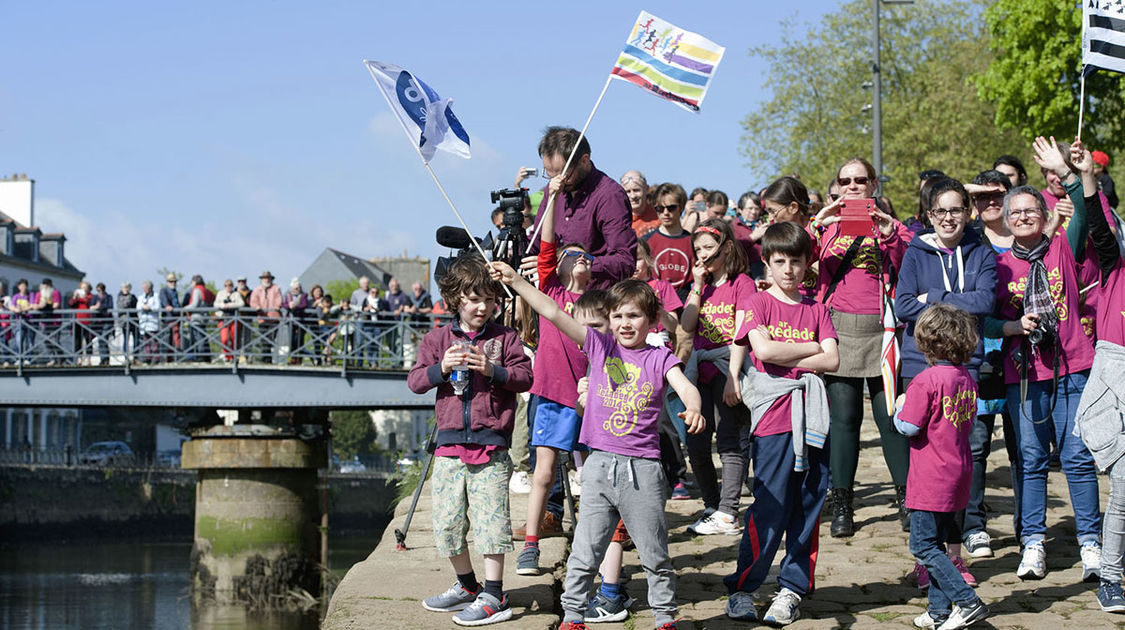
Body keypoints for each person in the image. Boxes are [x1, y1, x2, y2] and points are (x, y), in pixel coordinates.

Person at [491, 260, 704, 630]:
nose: (624, 323)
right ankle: (573, 616)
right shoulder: (601, 347)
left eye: (634, 316)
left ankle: (665, 617)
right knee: (584, 550)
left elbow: (684, 386)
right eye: (618, 315)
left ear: (651, 321)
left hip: (643, 471)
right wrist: (516, 282)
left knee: (655, 552)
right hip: (599, 467)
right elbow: (553, 311)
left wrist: (695, 407)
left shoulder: (659, 357)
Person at [990, 136, 1101, 582]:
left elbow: (1086, 208)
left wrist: (1070, 172)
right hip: (1024, 376)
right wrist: (1014, 327)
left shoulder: (1064, 249)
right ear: (1006, 217)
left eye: (1029, 211)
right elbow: (982, 322)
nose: (1021, 217)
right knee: (1031, 460)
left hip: (1074, 368)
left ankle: (1091, 545)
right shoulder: (996, 267)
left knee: (1076, 458)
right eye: (1014, 212)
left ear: (1044, 215)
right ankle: (1032, 543)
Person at [723, 222, 838, 627]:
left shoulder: (818, 309)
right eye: (780, 262)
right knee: (769, 505)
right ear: (768, 265)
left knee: (808, 504)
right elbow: (763, 350)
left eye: (797, 261)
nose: (789, 269)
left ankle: (791, 589)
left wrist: (787, 354)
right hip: (773, 420)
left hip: (815, 419)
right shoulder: (757, 304)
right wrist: (810, 348)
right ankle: (744, 587)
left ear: (809, 263)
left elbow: (832, 361)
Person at [408, 256, 533, 627]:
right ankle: (466, 585)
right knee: (447, 524)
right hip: (448, 446)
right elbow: (415, 382)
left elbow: (526, 377)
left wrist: (491, 370)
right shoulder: (436, 339)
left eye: (489, 299)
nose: (482, 306)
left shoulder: (505, 338)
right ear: (454, 299)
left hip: (491, 445)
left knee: (491, 522)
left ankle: (494, 594)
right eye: (473, 298)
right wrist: (440, 369)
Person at [895, 177, 997, 588]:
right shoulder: (915, 252)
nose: (949, 218)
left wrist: (932, 297)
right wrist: (955, 294)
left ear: (967, 213)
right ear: (928, 215)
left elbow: (985, 301)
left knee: (960, 460)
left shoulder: (981, 251)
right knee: (924, 461)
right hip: (920, 363)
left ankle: (953, 555)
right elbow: (903, 305)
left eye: (956, 209)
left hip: (966, 365)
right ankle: (926, 554)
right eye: (941, 211)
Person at [811, 157, 913, 537]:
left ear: (873, 184)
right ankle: (842, 506)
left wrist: (888, 236)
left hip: (884, 332)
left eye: (860, 180)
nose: (852, 186)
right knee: (844, 422)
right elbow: (798, 264)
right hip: (839, 330)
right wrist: (819, 221)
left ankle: (907, 500)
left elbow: (910, 265)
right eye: (845, 180)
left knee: (891, 421)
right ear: (836, 185)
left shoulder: (893, 227)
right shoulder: (826, 229)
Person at [514, 176, 594, 576]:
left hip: (589, 399)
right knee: (542, 472)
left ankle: (601, 541)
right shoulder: (552, 293)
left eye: (587, 256)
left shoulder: (600, 304)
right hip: (551, 395)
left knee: (592, 475)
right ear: (558, 268)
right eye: (573, 255)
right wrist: (553, 197)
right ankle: (531, 544)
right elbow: (546, 247)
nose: (582, 258)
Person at [893, 304, 990, 630]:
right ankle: (938, 612)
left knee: (922, 546)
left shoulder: (926, 380)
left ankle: (967, 601)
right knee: (937, 545)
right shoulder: (966, 379)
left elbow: (908, 426)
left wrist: (899, 407)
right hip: (959, 474)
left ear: (926, 343)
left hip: (930, 478)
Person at [1072, 139, 1125, 613]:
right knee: (1124, 487)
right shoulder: (1115, 267)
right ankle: (1111, 577)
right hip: (1115, 378)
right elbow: (1101, 228)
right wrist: (1087, 177)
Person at [680, 218, 755, 536]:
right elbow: (686, 325)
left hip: (729, 368)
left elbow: (742, 331)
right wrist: (696, 286)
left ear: (726, 247)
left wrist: (733, 378)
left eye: (708, 248)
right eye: (697, 250)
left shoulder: (742, 283)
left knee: (729, 439)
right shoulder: (701, 285)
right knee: (696, 441)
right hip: (701, 371)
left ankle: (728, 511)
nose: (703, 255)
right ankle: (712, 506)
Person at [962, 169, 1020, 560]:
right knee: (976, 445)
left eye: (997, 195)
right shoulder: (967, 240)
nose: (989, 203)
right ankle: (973, 525)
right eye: (981, 197)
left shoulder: (1031, 238)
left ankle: (1027, 523)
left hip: (1022, 357)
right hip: (977, 352)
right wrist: (970, 194)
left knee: (1022, 448)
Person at [525, 126, 636, 290]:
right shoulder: (553, 188)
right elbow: (538, 242)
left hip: (593, 302)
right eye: (549, 174)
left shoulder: (610, 196)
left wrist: (569, 262)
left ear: (584, 160)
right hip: (555, 298)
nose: (557, 181)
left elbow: (624, 262)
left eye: (563, 174)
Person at [644, 182, 696, 300]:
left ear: (681, 208)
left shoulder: (693, 242)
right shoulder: (646, 242)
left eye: (671, 208)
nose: (665, 213)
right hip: (654, 299)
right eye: (660, 209)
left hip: (685, 300)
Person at [250, 270, 283, 363]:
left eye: (268, 278)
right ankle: (265, 358)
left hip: (274, 318)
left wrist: (277, 306)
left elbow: (279, 300)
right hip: (262, 318)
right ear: (261, 279)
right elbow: (253, 301)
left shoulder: (276, 288)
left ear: (271, 279)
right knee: (264, 339)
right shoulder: (257, 290)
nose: (266, 280)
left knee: (271, 338)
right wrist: (257, 307)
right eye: (265, 278)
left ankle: (267, 358)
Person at [31, 278, 62, 365]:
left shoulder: (55, 293)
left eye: (46, 284)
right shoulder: (39, 294)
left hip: (55, 321)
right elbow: (35, 305)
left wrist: (47, 305)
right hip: (44, 321)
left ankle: (60, 358)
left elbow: (56, 305)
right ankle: (52, 358)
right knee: (46, 340)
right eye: (43, 284)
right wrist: (39, 306)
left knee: (55, 341)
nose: (44, 286)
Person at [213, 279, 244, 362]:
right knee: (224, 338)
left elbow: (241, 303)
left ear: (232, 286)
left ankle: (233, 356)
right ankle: (227, 355)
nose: (228, 287)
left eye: (230, 285)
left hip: (234, 319)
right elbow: (215, 304)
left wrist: (230, 305)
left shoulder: (236, 294)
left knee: (234, 338)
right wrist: (223, 305)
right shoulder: (220, 294)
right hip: (223, 318)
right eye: (226, 285)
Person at [185, 274, 214, 362]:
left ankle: (201, 355)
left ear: (195, 282)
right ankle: (206, 355)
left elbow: (194, 304)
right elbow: (212, 300)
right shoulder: (206, 290)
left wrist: (184, 309)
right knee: (202, 336)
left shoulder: (197, 290)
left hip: (196, 317)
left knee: (197, 337)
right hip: (204, 317)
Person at [622, 170, 660, 238]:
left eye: (636, 190)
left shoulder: (660, 215)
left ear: (647, 189)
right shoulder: (619, 219)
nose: (633, 196)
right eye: (628, 191)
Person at [384, 277, 411, 366]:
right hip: (388, 321)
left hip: (399, 321)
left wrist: (400, 310)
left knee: (398, 342)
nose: (394, 287)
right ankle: (393, 361)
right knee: (390, 342)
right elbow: (383, 304)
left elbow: (405, 304)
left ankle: (399, 361)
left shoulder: (402, 294)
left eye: (395, 286)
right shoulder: (387, 294)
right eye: (392, 286)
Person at [284, 278, 309, 364]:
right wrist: (289, 306)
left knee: (299, 340)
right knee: (292, 340)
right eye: (295, 288)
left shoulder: (304, 295)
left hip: (301, 321)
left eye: (298, 288)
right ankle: (292, 357)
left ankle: (299, 358)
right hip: (291, 321)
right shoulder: (288, 295)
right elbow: (284, 304)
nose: (297, 289)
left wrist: (294, 306)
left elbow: (304, 304)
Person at [68, 281, 93, 364]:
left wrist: (85, 297)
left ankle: (89, 359)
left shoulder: (90, 296)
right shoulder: (77, 298)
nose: (84, 290)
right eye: (82, 288)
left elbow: (90, 303)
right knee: (78, 341)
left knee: (88, 340)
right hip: (77, 321)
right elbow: (70, 304)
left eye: (85, 288)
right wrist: (75, 297)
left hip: (88, 321)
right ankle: (79, 358)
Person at [159, 273, 181, 361]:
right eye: (171, 281)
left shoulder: (175, 292)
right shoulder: (164, 290)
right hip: (168, 318)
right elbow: (165, 302)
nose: (173, 283)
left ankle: (176, 354)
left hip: (176, 317)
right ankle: (169, 357)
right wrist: (167, 306)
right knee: (169, 337)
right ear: (167, 282)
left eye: (174, 282)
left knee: (176, 335)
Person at [137, 281, 160, 364]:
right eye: (143, 288)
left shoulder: (156, 296)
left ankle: (155, 357)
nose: (144, 289)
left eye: (146, 288)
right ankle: (147, 357)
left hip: (152, 322)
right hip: (144, 323)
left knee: (154, 341)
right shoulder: (141, 297)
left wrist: (150, 307)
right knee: (145, 341)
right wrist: (144, 307)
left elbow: (157, 307)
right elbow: (138, 306)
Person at [9, 279, 32, 361]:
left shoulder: (30, 295)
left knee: (30, 342)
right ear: (18, 287)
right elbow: (12, 306)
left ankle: (28, 360)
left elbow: (32, 306)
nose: (23, 288)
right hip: (19, 322)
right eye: (21, 286)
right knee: (18, 340)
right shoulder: (16, 296)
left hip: (29, 321)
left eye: (25, 286)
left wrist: (22, 309)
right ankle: (19, 359)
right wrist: (16, 309)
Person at [90, 282, 113, 365]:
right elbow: (91, 306)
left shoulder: (109, 297)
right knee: (100, 340)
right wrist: (96, 307)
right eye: (98, 290)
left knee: (103, 339)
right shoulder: (95, 297)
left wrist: (100, 307)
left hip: (106, 321)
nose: (99, 291)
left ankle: (105, 358)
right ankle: (103, 358)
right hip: (97, 321)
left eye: (101, 290)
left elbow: (110, 306)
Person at [116, 282, 137, 362]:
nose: (126, 289)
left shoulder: (133, 297)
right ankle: (126, 357)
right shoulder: (120, 297)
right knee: (126, 339)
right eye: (124, 287)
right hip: (124, 322)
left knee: (136, 339)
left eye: (127, 287)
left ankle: (136, 357)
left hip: (133, 321)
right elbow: (122, 306)